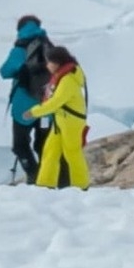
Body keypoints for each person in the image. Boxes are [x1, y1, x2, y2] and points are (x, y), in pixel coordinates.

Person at [26, 44, 89, 191]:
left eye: (49, 62)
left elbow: (55, 102)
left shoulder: (68, 80)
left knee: (72, 153)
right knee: (50, 151)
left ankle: (81, 185)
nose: (47, 65)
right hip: (62, 121)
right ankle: (45, 183)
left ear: (57, 63)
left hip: (71, 122)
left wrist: (34, 112)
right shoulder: (63, 77)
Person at [0, 15, 49, 185]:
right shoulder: (49, 47)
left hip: (24, 105)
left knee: (20, 145)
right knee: (44, 145)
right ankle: (47, 176)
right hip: (46, 104)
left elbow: (4, 71)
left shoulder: (20, 48)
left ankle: (34, 175)